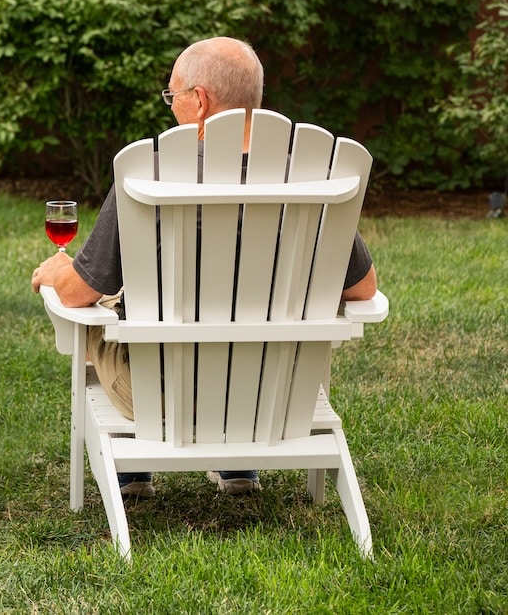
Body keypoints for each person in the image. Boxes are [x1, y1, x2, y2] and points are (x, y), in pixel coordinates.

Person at [30, 37, 378, 498]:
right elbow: (364, 291)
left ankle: (133, 474)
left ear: (200, 101)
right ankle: (237, 464)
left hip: (160, 399)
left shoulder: (147, 173)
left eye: (172, 96)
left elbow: (78, 294)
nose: (170, 105)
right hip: (273, 396)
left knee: (105, 305)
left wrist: (56, 272)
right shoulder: (311, 178)